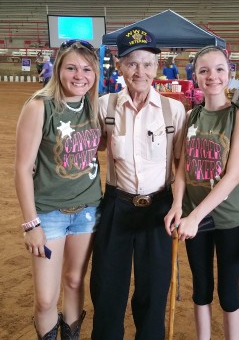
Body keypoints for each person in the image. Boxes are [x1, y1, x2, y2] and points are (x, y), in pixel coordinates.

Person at [90, 26, 186, 340]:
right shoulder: (104, 107)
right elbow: (88, 151)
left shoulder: (174, 111)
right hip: (117, 205)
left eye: (146, 64)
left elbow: (180, 166)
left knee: (154, 290)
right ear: (119, 66)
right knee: (108, 289)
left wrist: (179, 205)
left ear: (157, 67)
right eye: (131, 63)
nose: (139, 71)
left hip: (159, 209)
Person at [14, 39, 102, 340]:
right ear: (58, 69)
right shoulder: (40, 106)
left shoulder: (94, 105)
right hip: (49, 214)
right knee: (46, 298)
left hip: (87, 211)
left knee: (76, 282)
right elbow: (23, 169)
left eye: (87, 69)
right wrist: (31, 224)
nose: (80, 75)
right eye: (72, 67)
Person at [164, 45, 239, 340]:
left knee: (228, 290)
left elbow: (233, 177)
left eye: (218, 70)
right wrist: (178, 205)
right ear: (196, 76)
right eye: (204, 71)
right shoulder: (191, 116)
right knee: (201, 288)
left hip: (227, 217)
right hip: (191, 217)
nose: (211, 76)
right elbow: (182, 168)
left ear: (229, 74)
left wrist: (195, 217)